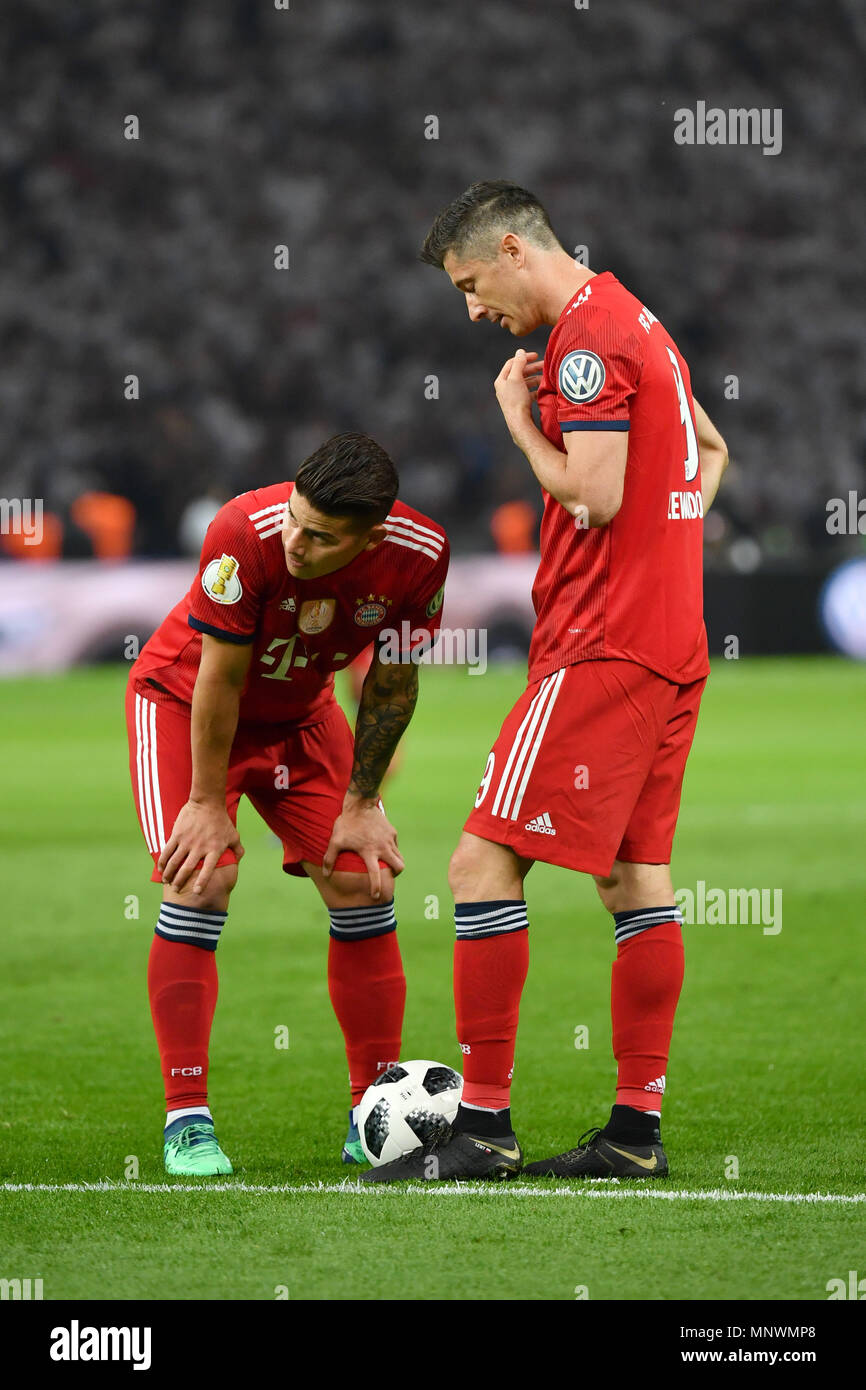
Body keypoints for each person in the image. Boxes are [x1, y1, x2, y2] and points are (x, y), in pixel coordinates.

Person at [364, 182, 728, 1183]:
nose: (471, 311)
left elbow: (595, 494)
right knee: (632, 879)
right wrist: (665, 555)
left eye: (470, 284)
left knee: (477, 869)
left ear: (515, 249)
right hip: (671, 643)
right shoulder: (642, 323)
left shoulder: (579, 341)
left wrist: (518, 419)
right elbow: (709, 450)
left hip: (600, 646)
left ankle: (480, 1128)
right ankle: (632, 1133)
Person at [125, 432, 449, 1175]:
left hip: (300, 716)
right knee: (202, 877)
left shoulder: (419, 554)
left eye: (322, 536)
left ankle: (372, 1114)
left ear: (369, 539)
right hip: (184, 702)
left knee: (365, 875)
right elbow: (220, 681)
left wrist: (363, 801)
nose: (297, 542)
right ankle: (187, 1120)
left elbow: (392, 682)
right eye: (296, 519)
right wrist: (207, 800)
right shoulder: (243, 531)